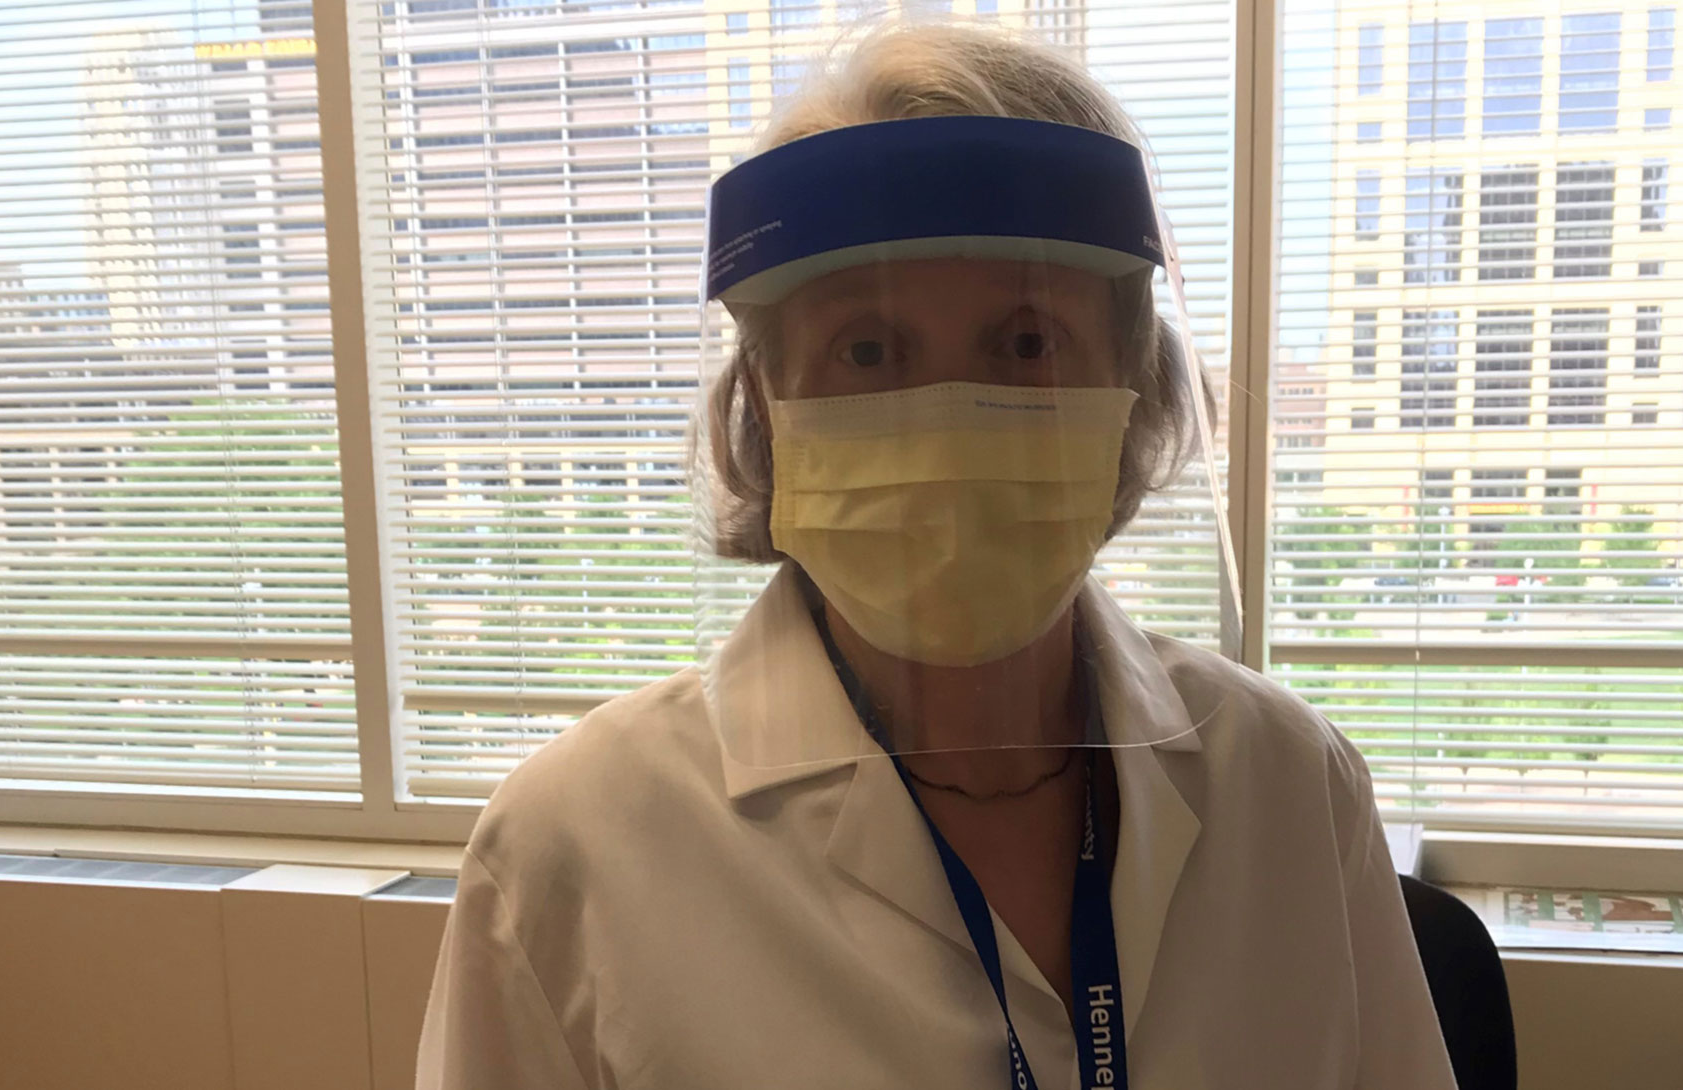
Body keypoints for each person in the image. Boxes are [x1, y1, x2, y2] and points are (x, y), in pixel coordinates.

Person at [416, 21, 1455, 1090]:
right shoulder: (572, 849)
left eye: (1025, 342)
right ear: (765, 406)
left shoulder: (1287, 784)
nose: (944, 417)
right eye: (866, 350)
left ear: (1130, 390)